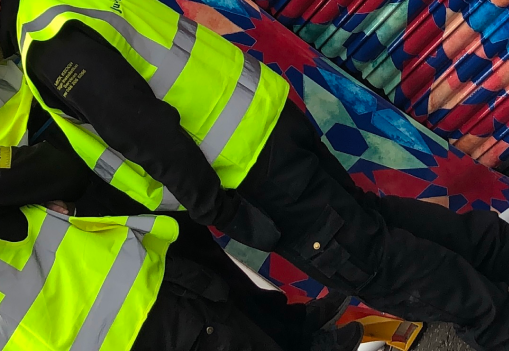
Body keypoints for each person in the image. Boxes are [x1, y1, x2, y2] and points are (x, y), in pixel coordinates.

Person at [0, 0, 509, 351]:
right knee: (376, 224)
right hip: (263, 119)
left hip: (242, 168)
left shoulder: (48, 44)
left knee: (374, 263)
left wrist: (216, 208)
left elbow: (145, 132)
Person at [0, 138, 364, 351]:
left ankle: (290, 329)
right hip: (109, 277)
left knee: (204, 264)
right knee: (202, 293)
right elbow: (54, 168)